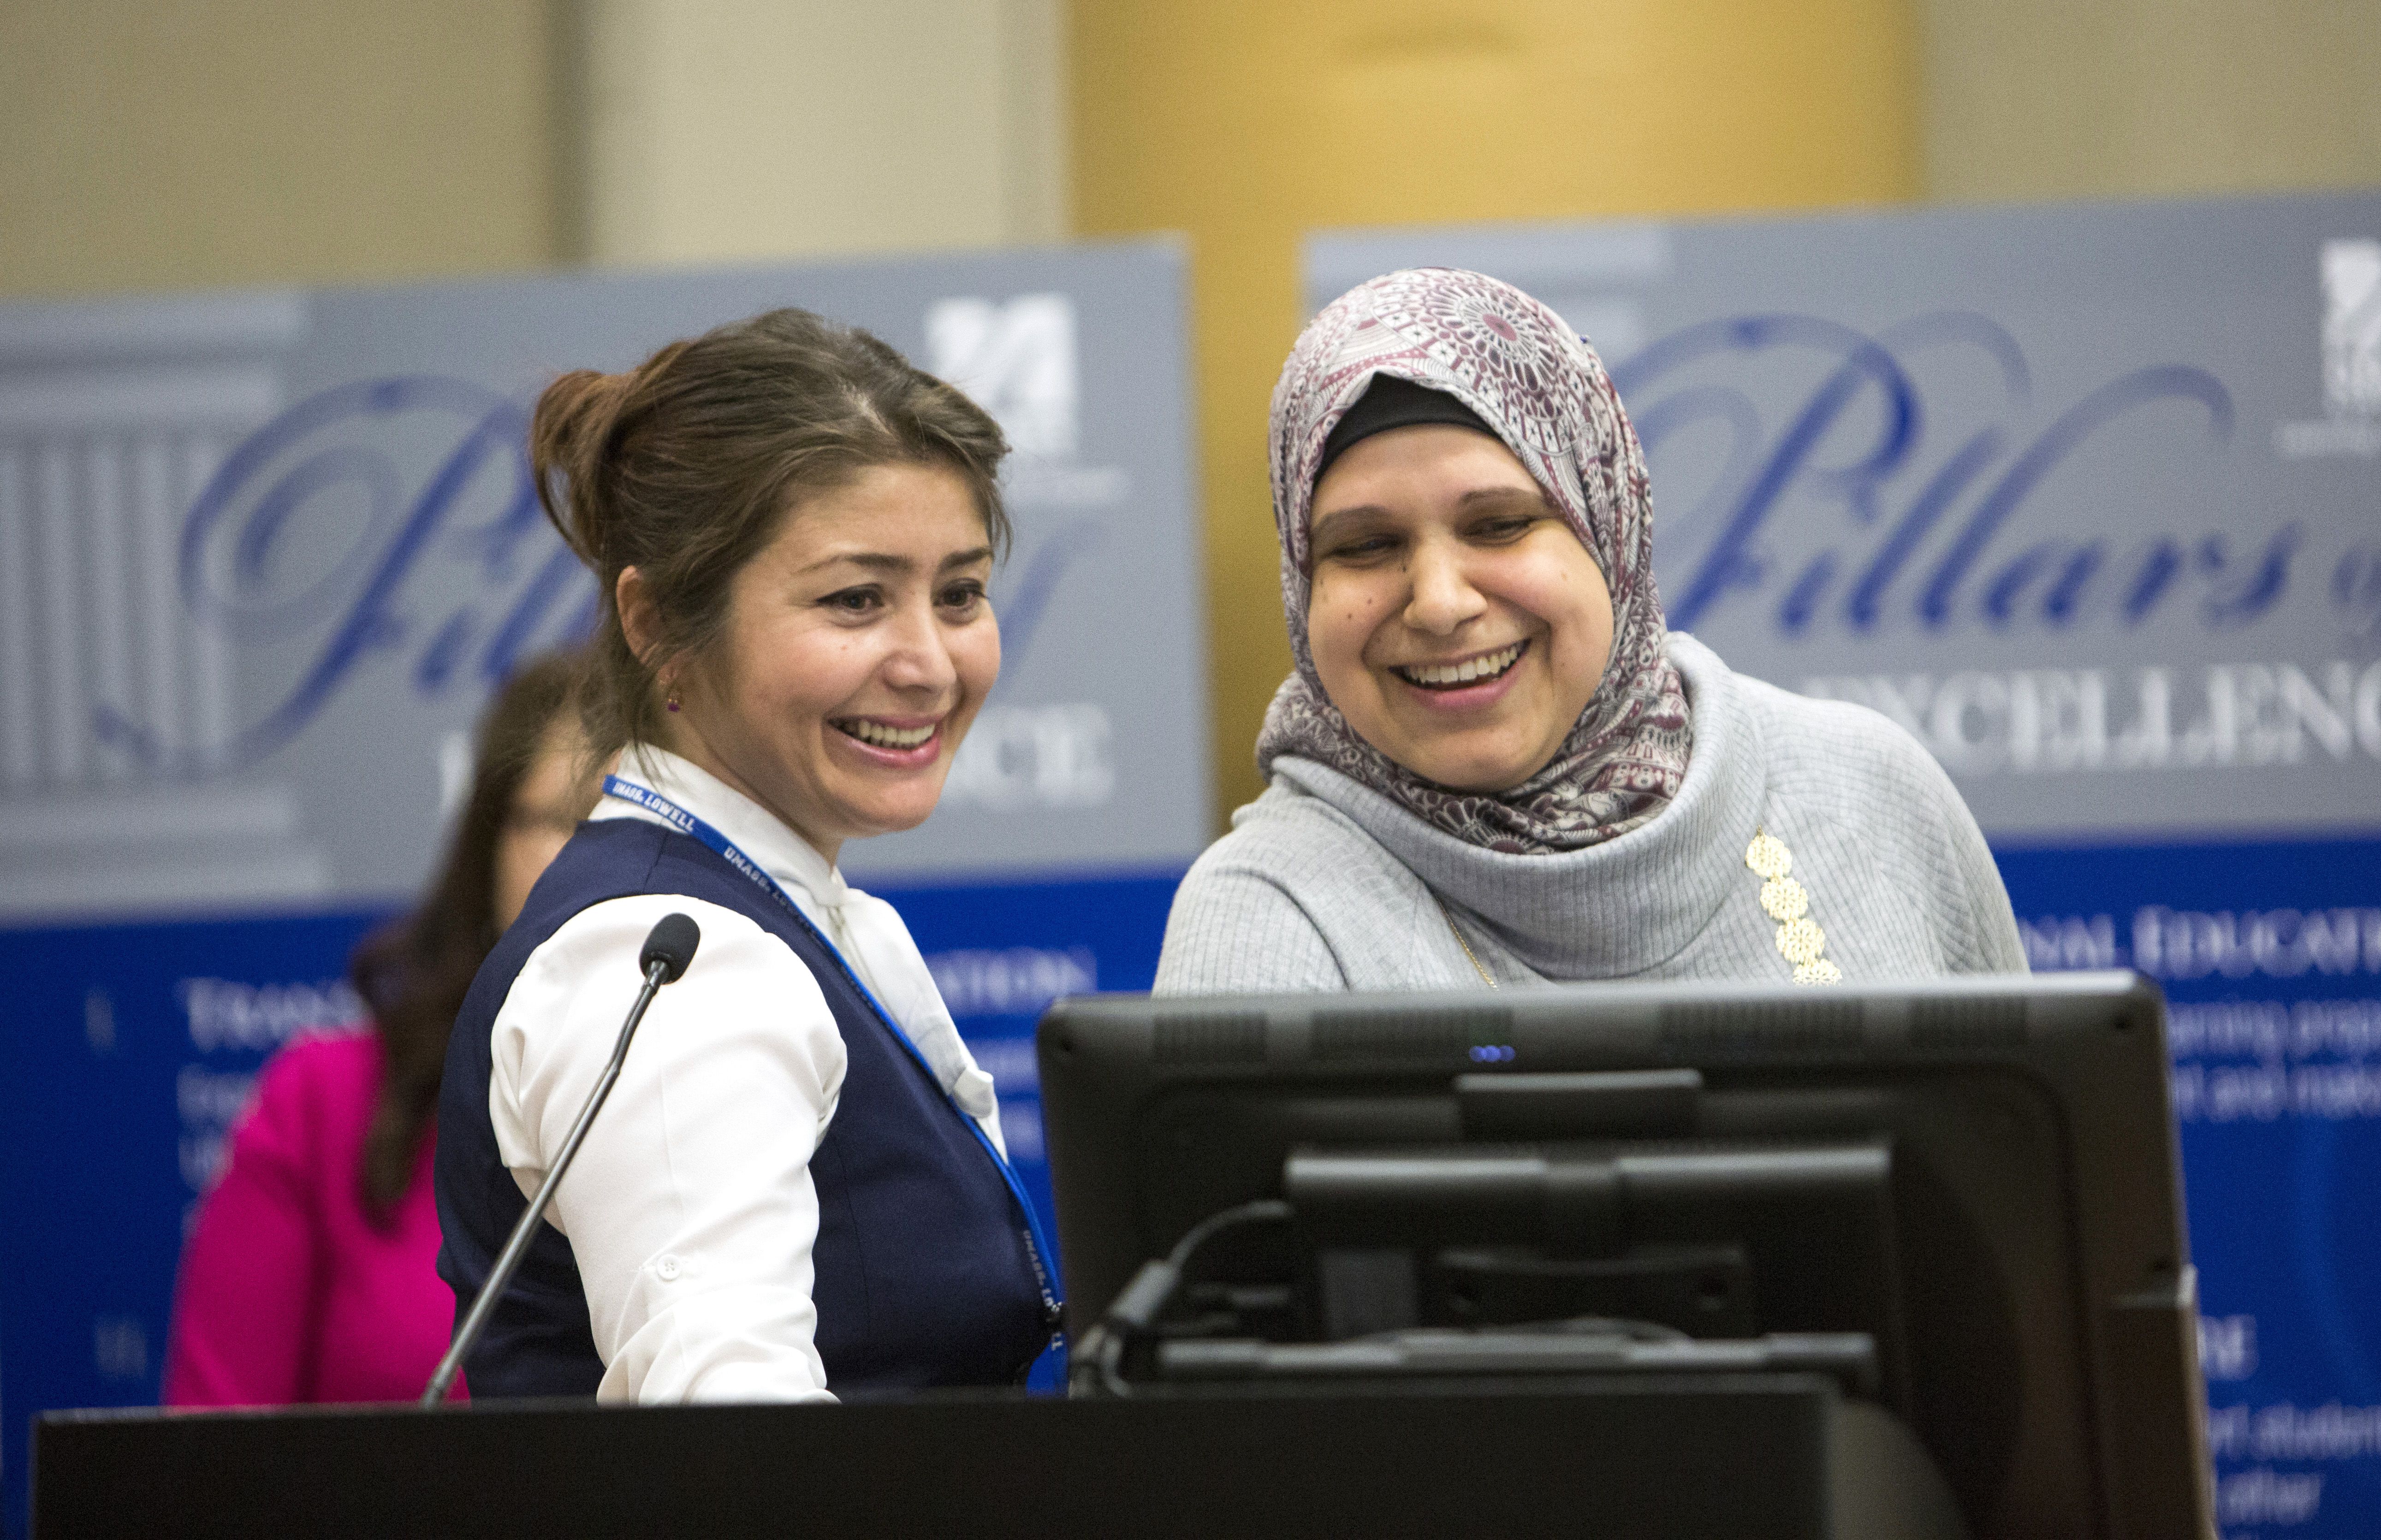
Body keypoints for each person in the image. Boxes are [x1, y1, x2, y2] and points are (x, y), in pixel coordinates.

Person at [434, 308, 1057, 1404]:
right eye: (854, 599)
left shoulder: (778, 909)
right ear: (658, 619)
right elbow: (737, 1463)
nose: (928, 661)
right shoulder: (677, 961)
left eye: (958, 592)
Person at [1157, 267, 2029, 994]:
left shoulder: (1869, 794)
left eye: (1498, 525)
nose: (1438, 602)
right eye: (1365, 545)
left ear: (1609, 530)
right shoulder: (1264, 917)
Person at [163, 652, 594, 1405]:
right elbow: (208, 1467)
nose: (604, 868)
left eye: (635, 829)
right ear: (488, 842)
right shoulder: (325, 1106)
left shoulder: (754, 1105)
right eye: (565, 822)